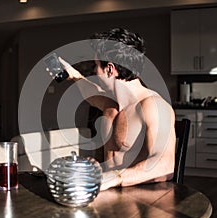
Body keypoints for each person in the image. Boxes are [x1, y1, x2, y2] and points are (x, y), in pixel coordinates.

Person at [58, 28, 176, 191]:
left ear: (110, 69)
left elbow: (165, 165)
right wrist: (73, 74)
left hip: (139, 200)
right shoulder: (109, 103)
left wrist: (114, 178)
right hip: (105, 192)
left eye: (96, 65)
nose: (94, 71)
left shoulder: (153, 106)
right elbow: (88, 92)